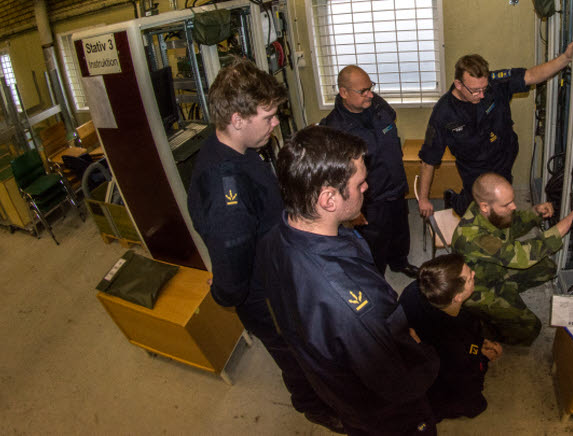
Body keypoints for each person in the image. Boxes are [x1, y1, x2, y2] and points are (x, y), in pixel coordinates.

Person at [186, 59, 342, 433]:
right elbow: (231, 256)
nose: (275, 125)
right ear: (237, 118)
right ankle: (313, 405)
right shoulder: (228, 191)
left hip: (274, 268)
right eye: (269, 116)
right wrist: (225, 293)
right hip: (263, 292)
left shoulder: (236, 151)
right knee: (294, 352)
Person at [254, 125, 439, 435]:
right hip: (382, 411)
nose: (366, 187)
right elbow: (394, 378)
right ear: (328, 199)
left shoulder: (277, 235)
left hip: (334, 388)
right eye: (360, 183)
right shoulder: (351, 304)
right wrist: (429, 357)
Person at [417, 41, 573, 217]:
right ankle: (454, 200)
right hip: (474, 169)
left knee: (501, 204)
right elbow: (428, 160)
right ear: (458, 84)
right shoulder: (443, 113)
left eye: (484, 88)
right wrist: (423, 199)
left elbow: (531, 75)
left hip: (503, 157)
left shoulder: (495, 83)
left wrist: (565, 58)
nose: (482, 95)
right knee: (474, 209)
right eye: (475, 91)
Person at [451, 173, 573, 346]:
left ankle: (507, 293)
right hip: (479, 289)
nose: (513, 206)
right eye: (507, 204)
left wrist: (535, 213)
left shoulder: (486, 210)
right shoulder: (472, 237)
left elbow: (511, 224)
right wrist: (569, 220)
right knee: (530, 329)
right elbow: (524, 256)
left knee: (547, 267)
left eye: (512, 200)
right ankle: (480, 323)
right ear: (485, 206)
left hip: (495, 269)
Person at [320, 65, 419, 278]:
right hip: (371, 198)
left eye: (370, 87)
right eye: (363, 91)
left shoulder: (377, 105)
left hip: (396, 185)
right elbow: (336, 177)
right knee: (375, 243)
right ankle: (377, 278)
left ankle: (400, 262)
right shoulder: (335, 129)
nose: (370, 94)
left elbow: (390, 118)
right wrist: (353, 209)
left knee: (400, 230)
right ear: (344, 92)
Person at [399, 254, 503, 422]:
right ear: (458, 297)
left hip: (413, 362)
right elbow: (466, 374)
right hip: (434, 382)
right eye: (469, 278)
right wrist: (482, 358)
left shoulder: (416, 288)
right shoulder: (456, 340)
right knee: (476, 404)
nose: (474, 274)